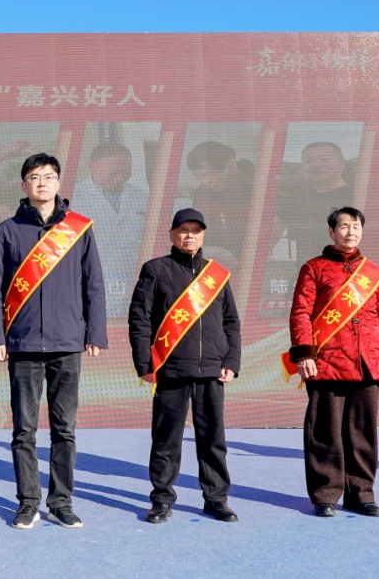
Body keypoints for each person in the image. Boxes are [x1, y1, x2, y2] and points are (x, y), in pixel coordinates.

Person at [0, 153, 107, 530]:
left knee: (64, 429)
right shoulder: (7, 230)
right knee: (23, 429)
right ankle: (27, 502)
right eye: (35, 177)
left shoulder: (79, 229)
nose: (42, 183)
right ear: (24, 185)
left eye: (49, 177)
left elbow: (94, 284)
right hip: (22, 344)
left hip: (68, 342)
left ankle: (61, 502)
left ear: (58, 183)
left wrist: (95, 332)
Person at [286, 207, 379, 518]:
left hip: (368, 361)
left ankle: (361, 494)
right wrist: (305, 353)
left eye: (356, 226)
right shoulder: (314, 268)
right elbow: (301, 312)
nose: (350, 232)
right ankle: (325, 495)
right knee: (325, 432)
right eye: (344, 226)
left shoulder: (373, 272)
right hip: (328, 361)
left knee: (362, 433)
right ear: (331, 232)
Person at [128, 208, 241, 524]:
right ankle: (162, 500)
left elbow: (231, 321)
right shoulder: (155, 269)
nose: (190, 236)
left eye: (196, 230)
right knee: (166, 439)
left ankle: (216, 499)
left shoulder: (216, 275)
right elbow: (139, 319)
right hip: (171, 369)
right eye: (183, 230)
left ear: (203, 235)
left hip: (212, 370)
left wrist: (231, 361)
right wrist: (145, 363)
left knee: (213, 440)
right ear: (172, 235)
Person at [71, 142, 147, 316]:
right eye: (113, 173)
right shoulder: (73, 197)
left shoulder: (141, 197)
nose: (120, 178)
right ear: (91, 165)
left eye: (126, 173)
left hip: (132, 278)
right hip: (91, 279)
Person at [278, 142, 354, 260]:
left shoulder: (356, 195)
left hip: (347, 267)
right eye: (310, 161)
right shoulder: (299, 196)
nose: (317, 165)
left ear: (341, 164)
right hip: (308, 267)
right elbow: (276, 227)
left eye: (325, 160)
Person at [185, 141, 256, 267]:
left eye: (210, 174)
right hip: (216, 258)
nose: (206, 181)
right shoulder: (202, 194)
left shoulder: (256, 188)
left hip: (248, 260)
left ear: (232, 167)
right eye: (198, 176)